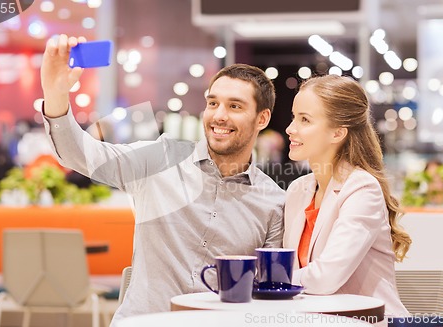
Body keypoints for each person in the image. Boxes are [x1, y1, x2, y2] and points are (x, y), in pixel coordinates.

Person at [40, 35, 285, 323]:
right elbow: (80, 154)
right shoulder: (160, 159)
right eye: (213, 103)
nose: (219, 115)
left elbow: (270, 292)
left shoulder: (272, 201)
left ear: (262, 119)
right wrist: (55, 93)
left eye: (235, 106)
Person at [282, 74, 412, 317]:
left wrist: (270, 277)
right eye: (293, 117)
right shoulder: (297, 191)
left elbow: (325, 279)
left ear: (337, 133)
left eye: (305, 120)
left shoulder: (362, 188)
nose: (291, 128)